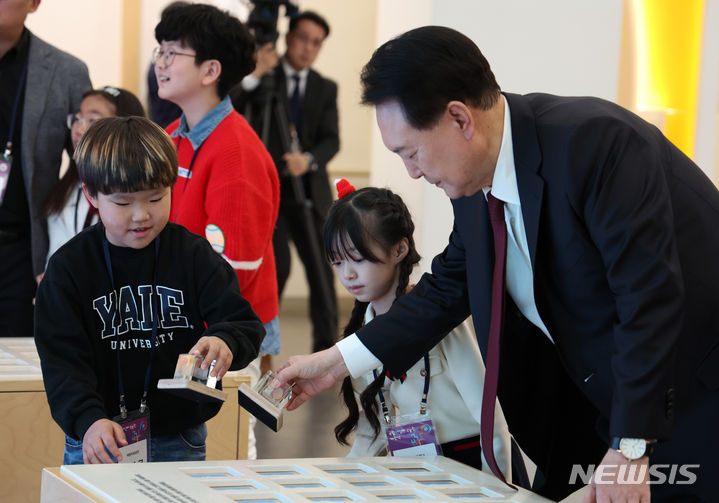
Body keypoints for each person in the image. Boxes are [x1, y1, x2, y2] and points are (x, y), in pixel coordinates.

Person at [273, 26, 719, 503]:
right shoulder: (475, 187)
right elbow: (446, 290)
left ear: (459, 119)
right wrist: (336, 362)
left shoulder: (597, 145)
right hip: (600, 407)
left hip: (690, 398)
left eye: (411, 151)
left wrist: (631, 445)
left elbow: (647, 299)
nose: (413, 172)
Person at [34, 116, 265, 464]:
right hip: (99, 438)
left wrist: (225, 340)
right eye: (124, 203)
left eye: (156, 198)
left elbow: (243, 323)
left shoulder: (193, 255)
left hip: (178, 436)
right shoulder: (69, 269)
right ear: (92, 195)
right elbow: (62, 362)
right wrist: (88, 419)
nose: (141, 215)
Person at [326, 180, 532, 484]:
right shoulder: (358, 340)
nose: (348, 274)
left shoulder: (442, 323)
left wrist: (497, 490)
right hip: (418, 472)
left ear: (400, 249)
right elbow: (372, 435)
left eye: (358, 258)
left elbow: (491, 419)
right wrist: (339, 483)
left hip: (477, 466)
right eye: (338, 262)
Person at [153, 3, 280, 459]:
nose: (160, 62)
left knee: (221, 459)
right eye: (159, 50)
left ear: (210, 70)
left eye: (173, 53)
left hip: (222, 335)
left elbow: (234, 274)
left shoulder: (234, 151)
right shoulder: (174, 136)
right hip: (185, 326)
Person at [231, 10, 340, 355]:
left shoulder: (325, 88)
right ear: (288, 38)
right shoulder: (263, 77)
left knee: (322, 274)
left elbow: (331, 140)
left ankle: (328, 348)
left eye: (317, 43)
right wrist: (255, 73)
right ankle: (264, 345)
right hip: (267, 192)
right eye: (303, 38)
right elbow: (230, 105)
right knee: (276, 268)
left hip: (309, 193)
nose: (308, 48)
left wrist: (306, 160)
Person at [0, 0, 91, 337]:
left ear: (34, 3)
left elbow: (89, 171)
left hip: (23, 252)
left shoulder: (66, 72)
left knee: (17, 369)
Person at [43, 86, 145, 265]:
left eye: (92, 120)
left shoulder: (139, 193)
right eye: (77, 119)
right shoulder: (68, 187)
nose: (78, 129)